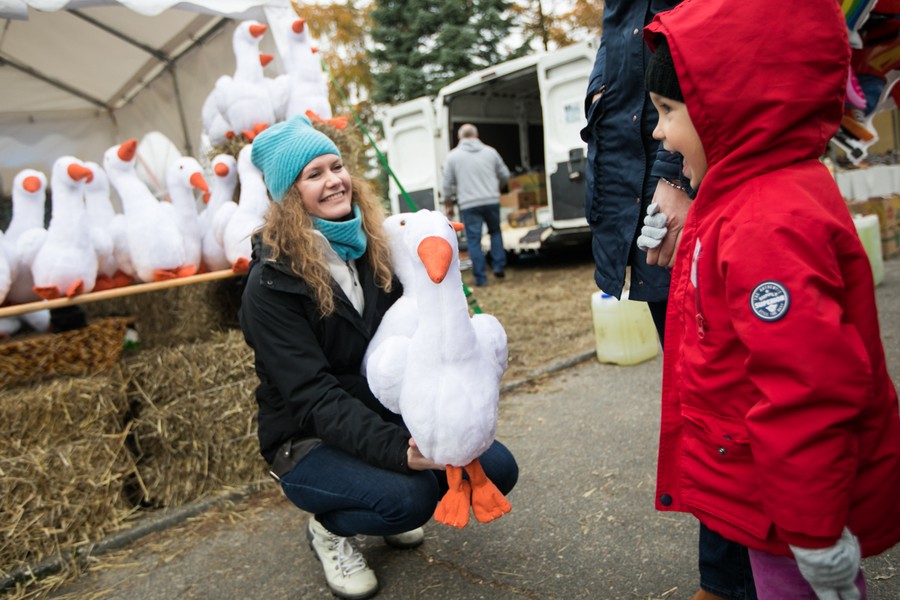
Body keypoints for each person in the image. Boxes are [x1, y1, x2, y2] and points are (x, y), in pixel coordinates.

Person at [642, 1, 900, 599]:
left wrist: (813, 532)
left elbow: (807, 390)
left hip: (789, 516)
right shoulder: (742, 196)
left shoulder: (767, 221)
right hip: (767, 493)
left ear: (727, 107)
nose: (658, 131)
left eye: (667, 111)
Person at [239, 115, 519, 599]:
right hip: (306, 438)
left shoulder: (373, 248)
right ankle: (329, 531)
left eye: (337, 166)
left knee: (497, 468)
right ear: (288, 196)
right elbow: (313, 397)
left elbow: (417, 331)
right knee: (408, 498)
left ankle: (382, 490)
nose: (334, 181)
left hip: (377, 410)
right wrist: (400, 452)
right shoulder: (270, 286)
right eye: (314, 175)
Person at [582, 3, 754, 600]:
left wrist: (676, 180)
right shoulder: (620, 13)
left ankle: (736, 576)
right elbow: (620, 116)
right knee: (701, 398)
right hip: (638, 222)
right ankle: (731, 573)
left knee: (725, 401)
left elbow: (705, 77)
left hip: (684, 203)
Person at [442, 123, 510, 287]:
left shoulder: (452, 157)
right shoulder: (490, 152)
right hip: (491, 200)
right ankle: (499, 267)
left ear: (459, 137)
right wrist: (497, 188)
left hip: (468, 204)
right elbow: (505, 174)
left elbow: (446, 184)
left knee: (473, 240)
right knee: (495, 232)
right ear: (476, 135)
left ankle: (481, 278)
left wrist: (449, 204)